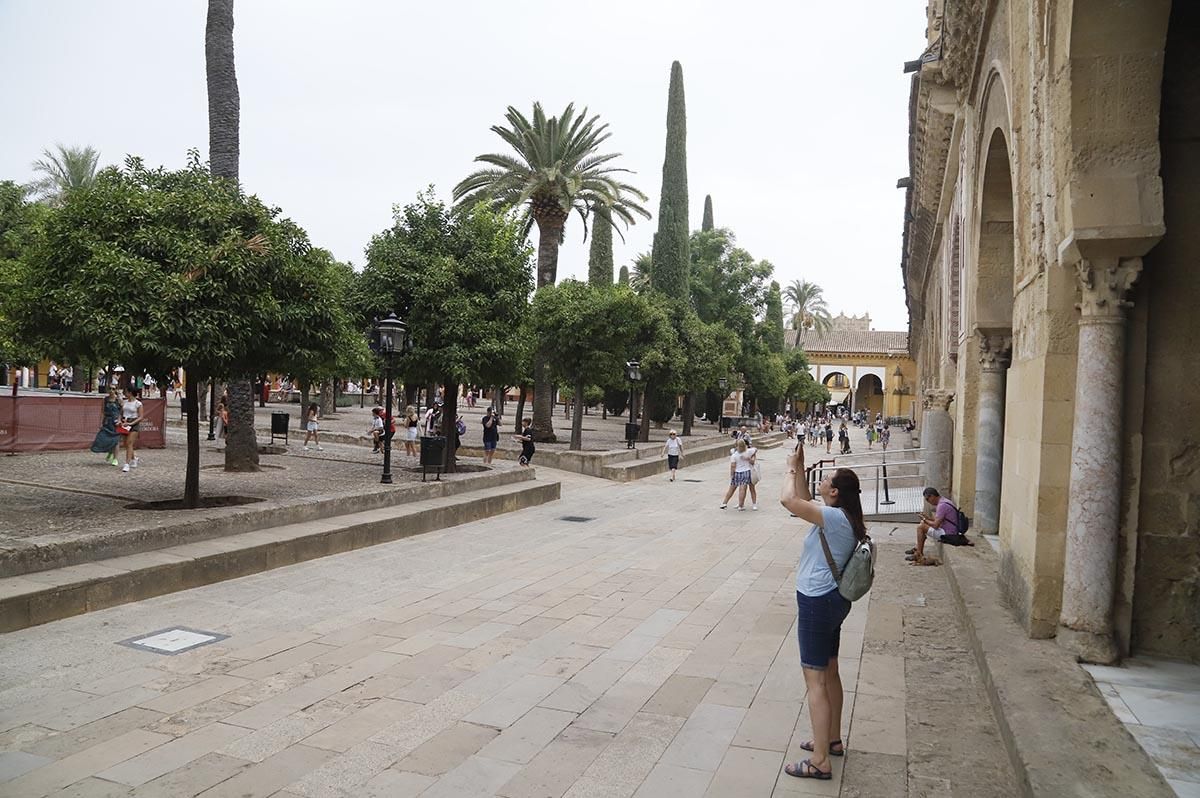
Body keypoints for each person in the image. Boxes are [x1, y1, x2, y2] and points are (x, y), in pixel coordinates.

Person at [780, 444, 866, 781]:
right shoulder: (843, 516)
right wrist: (801, 468)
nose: (821, 481)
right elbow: (802, 501)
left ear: (834, 492)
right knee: (830, 671)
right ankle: (831, 740)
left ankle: (819, 761)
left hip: (817, 602)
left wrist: (788, 468)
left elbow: (789, 502)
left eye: (825, 479)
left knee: (814, 680)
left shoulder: (832, 518)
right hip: (832, 601)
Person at [909, 487, 967, 564]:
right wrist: (927, 518)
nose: (928, 501)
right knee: (923, 525)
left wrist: (924, 519)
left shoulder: (941, 506)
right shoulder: (945, 501)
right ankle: (918, 549)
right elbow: (939, 520)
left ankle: (919, 553)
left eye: (927, 499)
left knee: (921, 527)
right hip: (951, 529)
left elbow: (936, 525)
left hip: (949, 533)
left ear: (932, 496)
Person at [720, 438, 758, 510]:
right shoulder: (748, 451)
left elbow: (733, 466)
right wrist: (751, 456)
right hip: (747, 471)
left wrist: (732, 475)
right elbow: (755, 449)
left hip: (737, 472)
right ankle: (741, 505)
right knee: (743, 489)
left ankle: (725, 503)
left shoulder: (734, 455)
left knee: (732, 488)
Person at [90, 388, 122, 466]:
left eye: (113, 389)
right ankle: (110, 451)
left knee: (116, 440)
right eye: (110, 389)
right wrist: (100, 421)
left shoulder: (118, 400)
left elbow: (122, 411)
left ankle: (115, 458)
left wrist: (119, 420)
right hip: (107, 421)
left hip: (115, 422)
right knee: (103, 437)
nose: (111, 390)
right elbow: (102, 412)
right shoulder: (105, 399)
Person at [119, 387, 144, 473]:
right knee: (126, 444)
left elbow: (141, 416)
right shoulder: (125, 402)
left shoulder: (138, 403)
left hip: (133, 423)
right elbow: (121, 413)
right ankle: (134, 458)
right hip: (125, 422)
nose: (125, 394)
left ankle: (127, 464)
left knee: (130, 443)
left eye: (126, 392)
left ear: (130, 393)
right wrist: (120, 420)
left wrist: (131, 423)